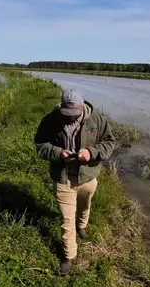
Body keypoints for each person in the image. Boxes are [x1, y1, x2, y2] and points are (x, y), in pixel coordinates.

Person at [34, 89, 116, 275]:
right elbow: (40, 144)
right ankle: (68, 256)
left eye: (74, 115)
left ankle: (82, 225)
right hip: (63, 178)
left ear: (82, 107)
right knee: (66, 219)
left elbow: (110, 142)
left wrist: (90, 152)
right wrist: (58, 153)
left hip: (88, 176)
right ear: (61, 107)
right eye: (66, 114)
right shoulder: (51, 120)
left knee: (85, 205)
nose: (70, 118)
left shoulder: (97, 120)